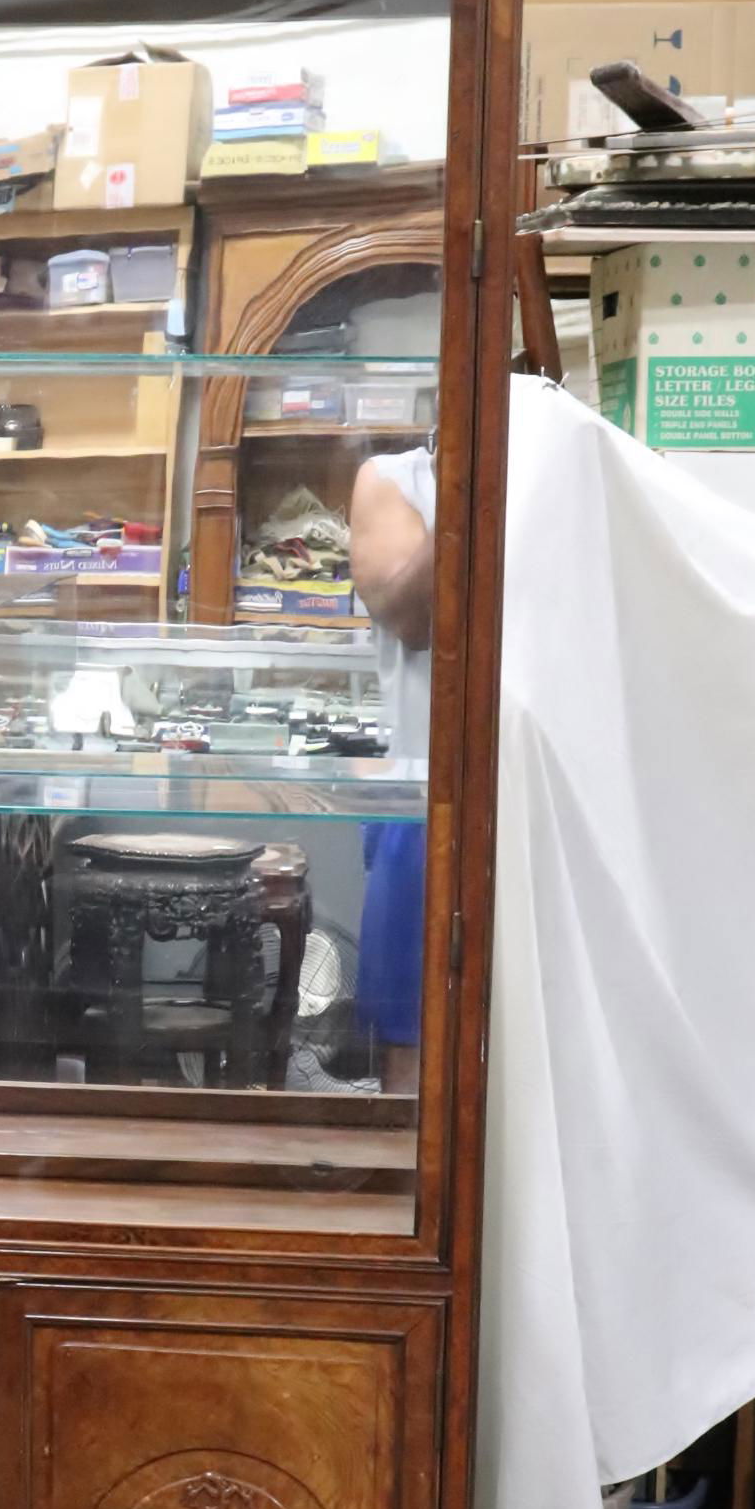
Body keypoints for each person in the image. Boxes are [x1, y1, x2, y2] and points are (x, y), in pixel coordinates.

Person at [348, 443, 434, 1091]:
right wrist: (474, 496)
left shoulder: (559, 482)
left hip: (538, 794)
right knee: (412, 1038)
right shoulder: (393, 482)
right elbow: (412, 617)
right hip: (428, 796)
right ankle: (410, 1187)